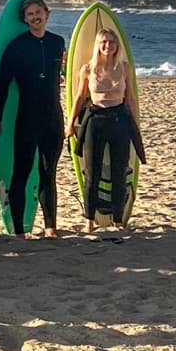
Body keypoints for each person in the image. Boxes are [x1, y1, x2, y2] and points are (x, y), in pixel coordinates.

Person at [0, 0, 67, 237]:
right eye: (30, 15)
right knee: (21, 172)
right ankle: (18, 232)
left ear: (47, 13)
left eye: (38, 12)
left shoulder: (58, 42)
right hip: (26, 119)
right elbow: (2, 83)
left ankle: (50, 227)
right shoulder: (17, 46)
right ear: (25, 20)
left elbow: (66, 74)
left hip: (53, 118)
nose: (35, 17)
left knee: (48, 173)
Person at [68, 27, 145, 230]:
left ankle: (118, 219)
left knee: (119, 172)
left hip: (120, 119)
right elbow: (79, 97)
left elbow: (130, 99)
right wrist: (70, 123)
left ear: (117, 46)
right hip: (95, 120)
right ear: (98, 45)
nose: (108, 46)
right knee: (92, 173)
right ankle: (89, 220)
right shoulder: (87, 69)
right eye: (104, 42)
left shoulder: (124, 68)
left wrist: (136, 125)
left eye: (111, 42)